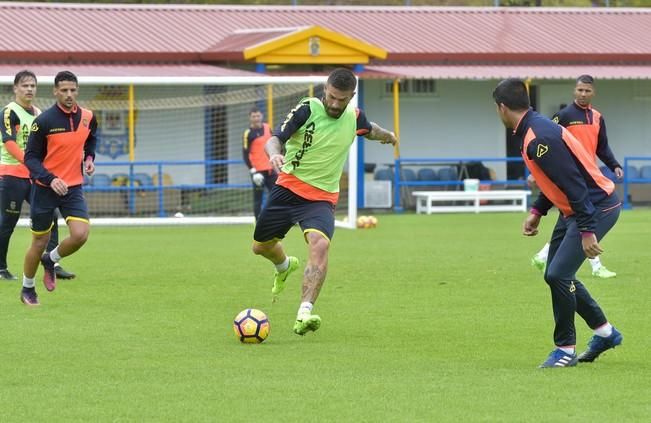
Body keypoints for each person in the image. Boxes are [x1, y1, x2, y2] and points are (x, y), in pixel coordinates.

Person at [251, 68, 397, 335]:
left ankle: (304, 313)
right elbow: (275, 139)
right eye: (331, 96)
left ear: (351, 96)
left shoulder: (354, 117)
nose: (334, 103)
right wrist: (274, 154)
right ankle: (284, 266)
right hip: (288, 188)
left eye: (341, 100)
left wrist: (388, 136)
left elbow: (370, 129)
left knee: (320, 244)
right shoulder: (308, 109)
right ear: (325, 90)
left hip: (321, 198)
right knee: (260, 246)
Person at [493, 78, 623, 368]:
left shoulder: (539, 136)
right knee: (557, 273)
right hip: (576, 209)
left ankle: (565, 350)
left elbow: (574, 183)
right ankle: (605, 333)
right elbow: (554, 180)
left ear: (502, 107)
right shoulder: (531, 128)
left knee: (558, 275)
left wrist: (588, 230)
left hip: (595, 206)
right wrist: (538, 210)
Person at [531, 75, 622, 279]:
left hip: (589, 178)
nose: (583, 94)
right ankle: (593, 266)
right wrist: (535, 172)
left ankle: (544, 255)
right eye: (580, 90)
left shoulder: (598, 118)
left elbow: (602, 147)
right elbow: (545, 146)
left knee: (576, 222)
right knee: (581, 221)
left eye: (587, 91)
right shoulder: (562, 116)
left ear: (593, 92)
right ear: (574, 91)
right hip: (570, 177)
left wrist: (614, 164)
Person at [20, 70, 97, 306]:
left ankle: (50, 260)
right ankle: (28, 288)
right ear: (55, 92)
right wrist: (51, 178)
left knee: (80, 235)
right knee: (39, 241)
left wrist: (89, 158)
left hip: (73, 188)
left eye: (73, 90)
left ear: (77, 90)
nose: (69, 94)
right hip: (45, 189)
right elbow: (30, 158)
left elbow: (91, 137)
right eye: (64, 90)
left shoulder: (88, 116)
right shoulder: (43, 122)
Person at [0, 71, 77, 283]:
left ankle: (52, 262)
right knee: (8, 221)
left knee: (50, 214)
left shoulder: (39, 113)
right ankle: (1, 267)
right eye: (25, 85)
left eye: (33, 86)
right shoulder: (9, 112)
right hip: (12, 175)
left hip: (36, 177)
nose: (29, 89)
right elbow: (10, 143)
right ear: (15, 88)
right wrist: (31, 162)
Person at [242, 106, 277, 220]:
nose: (256, 118)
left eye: (258, 116)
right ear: (250, 118)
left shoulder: (268, 128)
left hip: (271, 170)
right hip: (258, 172)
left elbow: (274, 144)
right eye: (253, 116)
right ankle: (258, 222)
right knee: (258, 198)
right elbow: (245, 154)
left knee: (277, 196)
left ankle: (276, 220)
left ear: (261, 116)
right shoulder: (248, 133)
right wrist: (252, 171)